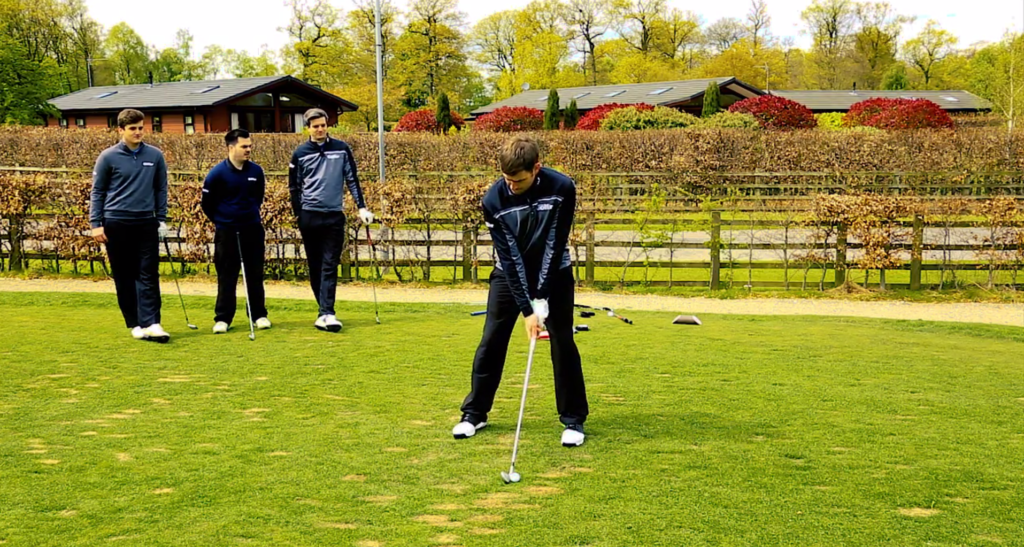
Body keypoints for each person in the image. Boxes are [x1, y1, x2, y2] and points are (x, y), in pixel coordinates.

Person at [452, 135, 589, 447]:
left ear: (536, 168)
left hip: (555, 270)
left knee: (563, 342)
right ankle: (475, 413)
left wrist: (542, 295)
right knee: (491, 340)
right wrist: (528, 309)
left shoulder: (562, 188)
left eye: (519, 179)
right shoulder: (493, 201)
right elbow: (510, 256)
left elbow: (555, 242)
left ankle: (573, 420)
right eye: (506, 179)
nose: (512, 186)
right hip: (509, 273)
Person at [288, 108, 375, 332]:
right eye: (315, 126)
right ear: (308, 128)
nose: (320, 130)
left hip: (334, 215)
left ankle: (327, 312)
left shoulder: (341, 149)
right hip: (309, 215)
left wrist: (362, 207)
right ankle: (323, 310)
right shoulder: (300, 153)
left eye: (323, 125)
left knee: (330, 265)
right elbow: (294, 187)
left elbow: (352, 179)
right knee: (315, 265)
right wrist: (299, 214)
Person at [90, 108, 170, 343]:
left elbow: (161, 188)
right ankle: (135, 323)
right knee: (124, 275)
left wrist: (162, 218)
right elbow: (98, 191)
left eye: (140, 128)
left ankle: (153, 322)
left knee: (148, 273)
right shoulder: (108, 157)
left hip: (146, 221)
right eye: (132, 128)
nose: (137, 132)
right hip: (116, 221)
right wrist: (96, 224)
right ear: (121, 130)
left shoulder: (155, 156)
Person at [201, 129, 271, 334]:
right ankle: (223, 318)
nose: (248, 150)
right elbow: (207, 204)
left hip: (252, 229)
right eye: (244, 146)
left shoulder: (256, 172)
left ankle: (258, 315)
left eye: (249, 146)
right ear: (231, 148)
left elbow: (258, 197)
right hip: (227, 231)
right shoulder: (216, 174)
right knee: (227, 275)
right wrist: (224, 219)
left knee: (255, 274)